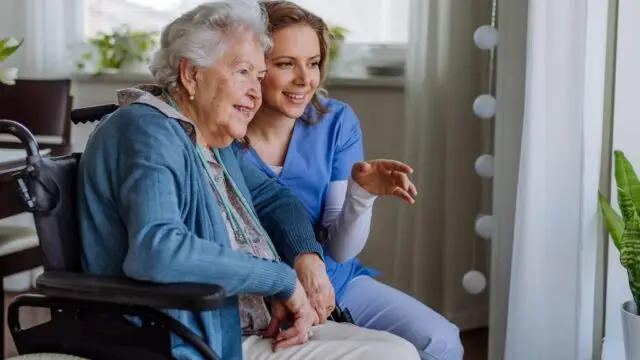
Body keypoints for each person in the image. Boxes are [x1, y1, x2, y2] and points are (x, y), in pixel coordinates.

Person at [76, 1, 421, 360]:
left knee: (402, 349)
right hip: (190, 338)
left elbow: (275, 199)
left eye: (259, 76)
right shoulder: (147, 130)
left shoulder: (207, 137)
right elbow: (157, 252)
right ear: (192, 74)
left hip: (243, 325)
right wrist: (281, 281)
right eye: (243, 73)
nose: (255, 92)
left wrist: (305, 255)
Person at [235, 1, 465, 359]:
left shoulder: (336, 123)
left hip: (334, 281)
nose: (304, 79)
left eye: (313, 63)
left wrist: (362, 194)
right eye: (285, 64)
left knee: (442, 340)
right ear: (253, 67)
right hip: (261, 295)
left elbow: (341, 250)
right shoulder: (224, 131)